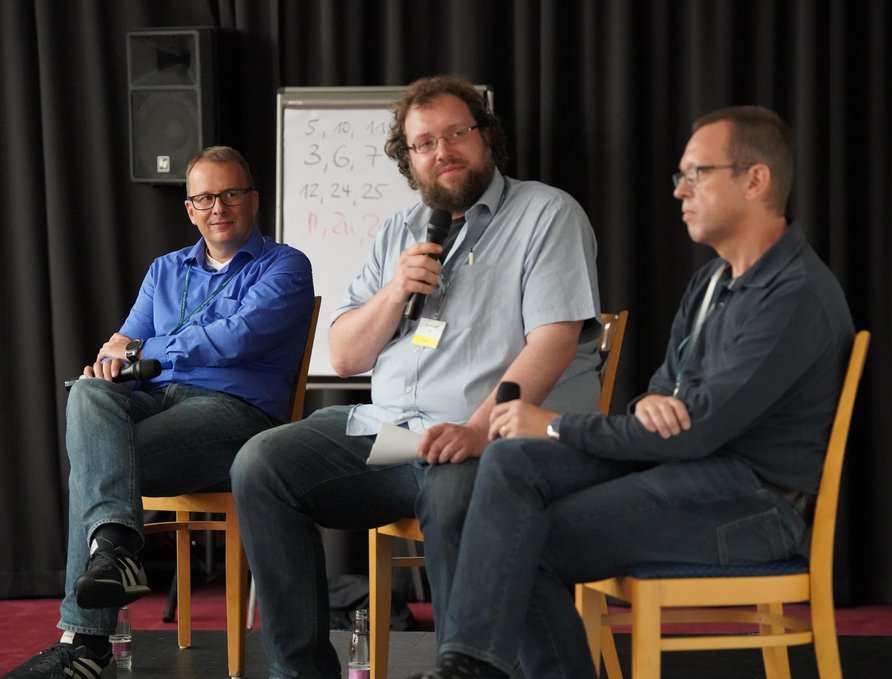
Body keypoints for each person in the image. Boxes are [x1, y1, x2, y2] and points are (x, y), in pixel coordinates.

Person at [410, 105, 855, 679]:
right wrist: (649, 403)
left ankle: (468, 668)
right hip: (684, 469)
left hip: (751, 503)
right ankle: (466, 664)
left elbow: (696, 431)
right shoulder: (713, 277)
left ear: (755, 180)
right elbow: (664, 392)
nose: (680, 191)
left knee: (524, 536)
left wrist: (551, 423)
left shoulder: (793, 295)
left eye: (696, 174)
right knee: (513, 464)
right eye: (680, 177)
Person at [230, 74, 602, 678]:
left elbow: (553, 343)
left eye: (456, 133)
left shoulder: (545, 213)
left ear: (487, 137)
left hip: (485, 442)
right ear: (409, 160)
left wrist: (478, 430)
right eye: (424, 142)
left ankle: (465, 670)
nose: (442, 151)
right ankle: (300, 672)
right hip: (393, 437)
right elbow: (347, 356)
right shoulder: (399, 231)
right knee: (261, 464)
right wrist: (395, 290)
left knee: (459, 489)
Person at [6, 146, 315, 679]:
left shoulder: (285, 265)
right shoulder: (166, 270)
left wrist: (151, 353)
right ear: (190, 208)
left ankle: (85, 639)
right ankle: (116, 548)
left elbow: (237, 339)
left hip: (236, 415)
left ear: (253, 200)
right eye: (204, 197)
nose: (218, 206)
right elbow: (116, 349)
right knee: (88, 392)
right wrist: (116, 363)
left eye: (230, 193)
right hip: (157, 402)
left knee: (98, 461)